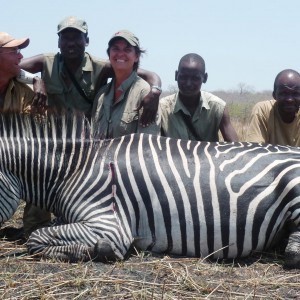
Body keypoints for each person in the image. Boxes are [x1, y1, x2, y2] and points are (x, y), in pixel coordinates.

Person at [20, 16, 162, 123]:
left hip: (87, 144)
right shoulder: (45, 62)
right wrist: (34, 79)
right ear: (58, 42)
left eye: (76, 38)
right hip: (53, 139)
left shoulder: (100, 67)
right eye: (65, 38)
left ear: (86, 41)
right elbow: (9, 66)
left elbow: (150, 75)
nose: (70, 43)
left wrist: (155, 93)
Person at [0, 32, 51, 239]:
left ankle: (36, 229)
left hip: (11, 159)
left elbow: (40, 134)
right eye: (14, 51)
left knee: (41, 161)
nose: (21, 57)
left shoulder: (25, 92)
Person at [91, 30, 160, 138]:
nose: (120, 54)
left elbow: (147, 146)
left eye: (127, 50)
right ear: (109, 54)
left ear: (136, 56)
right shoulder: (101, 94)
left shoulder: (146, 94)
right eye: (115, 49)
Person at [160, 53, 238, 142]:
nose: (188, 83)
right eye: (183, 77)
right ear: (176, 75)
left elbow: (234, 146)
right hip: (173, 156)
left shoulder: (217, 107)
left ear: (205, 78)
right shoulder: (162, 108)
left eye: (195, 78)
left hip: (206, 156)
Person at [246, 69, 300, 147]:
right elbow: (255, 150)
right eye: (284, 93)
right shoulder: (262, 110)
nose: (290, 99)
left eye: (295, 94)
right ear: (274, 95)